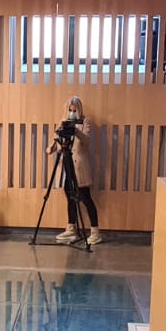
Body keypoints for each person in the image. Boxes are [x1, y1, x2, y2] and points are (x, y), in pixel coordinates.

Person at [50, 96, 102, 245]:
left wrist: (75, 131)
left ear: (79, 109)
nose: (72, 112)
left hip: (80, 167)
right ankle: (71, 228)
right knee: (69, 195)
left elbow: (87, 140)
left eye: (74, 109)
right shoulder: (63, 121)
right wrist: (51, 148)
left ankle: (95, 232)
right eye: (70, 109)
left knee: (85, 198)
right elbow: (57, 138)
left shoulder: (85, 121)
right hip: (67, 165)